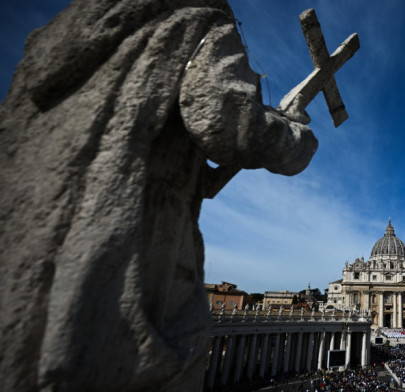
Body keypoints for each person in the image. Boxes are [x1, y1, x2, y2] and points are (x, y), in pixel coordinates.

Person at [0, 1, 317, 392]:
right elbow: (228, 122)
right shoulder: (200, 16)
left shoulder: (69, 24)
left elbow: (200, 163)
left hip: (31, 216)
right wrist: (295, 135)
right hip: (134, 220)